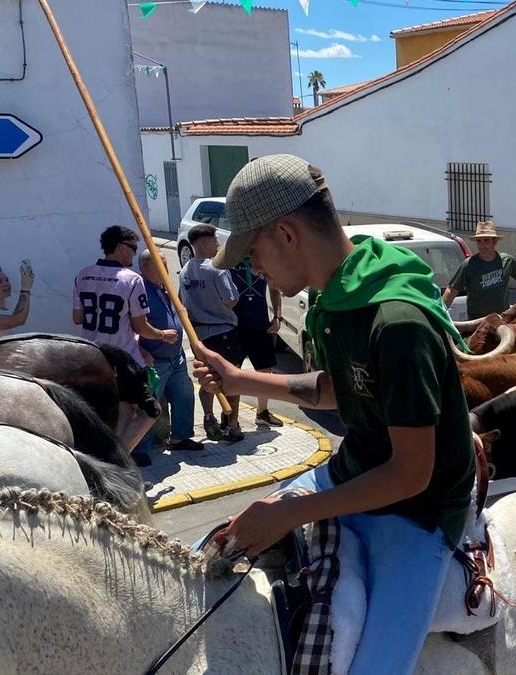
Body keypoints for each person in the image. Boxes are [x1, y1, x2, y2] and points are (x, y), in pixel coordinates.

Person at [191, 154, 474, 672]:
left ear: (286, 234)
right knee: (201, 556)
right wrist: (238, 378)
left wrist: (288, 512)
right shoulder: (336, 299)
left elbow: (412, 475)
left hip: (419, 512)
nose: (255, 270)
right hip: (351, 473)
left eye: (253, 252)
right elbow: (339, 390)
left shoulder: (396, 322)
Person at [135, 249, 204, 466]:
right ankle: (138, 449)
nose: (165, 270)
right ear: (145, 268)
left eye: (165, 265)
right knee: (149, 406)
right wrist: (141, 350)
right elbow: (133, 326)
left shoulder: (164, 287)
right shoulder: (140, 291)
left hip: (176, 357)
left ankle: (180, 437)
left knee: (184, 396)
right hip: (155, 360)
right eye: (159, 266)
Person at [73, 226, 176, 368]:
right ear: (121, 248)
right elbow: (140, 328)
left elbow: (77, 318)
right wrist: (163, 335)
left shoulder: (83, 275)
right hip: (122, 361)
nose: (135, 254)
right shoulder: (132, 280)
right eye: (133, 248)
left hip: (92, 357)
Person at [180, 224, 243, 443]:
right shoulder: (216, 268)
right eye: (215, 240)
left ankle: (209, 417)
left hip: (200, 336)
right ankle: (232, 426)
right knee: (232, 380)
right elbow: (231, 299)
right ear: (204, 243)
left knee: (207, 379)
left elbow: (182, 303)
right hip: (223, 331)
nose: (217, 245)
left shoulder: (185, 271)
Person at [443, 220, 516, 318]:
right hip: (477, 322)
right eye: (479, 241)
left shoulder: (506, 261)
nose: (482, 245)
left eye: (486, 240)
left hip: (501, 319)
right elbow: (452, 289)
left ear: (495, 241)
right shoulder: (469, 265)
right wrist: (439, 313)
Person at [229, 256, 285, 427]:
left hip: (260, 325)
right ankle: (231, 419)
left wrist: (277, 316)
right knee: (232, 373)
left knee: (265, 372)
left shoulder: (262, 260)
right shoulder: (229, 263)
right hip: (234, 326)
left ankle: (262, 412)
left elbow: (274, 289)